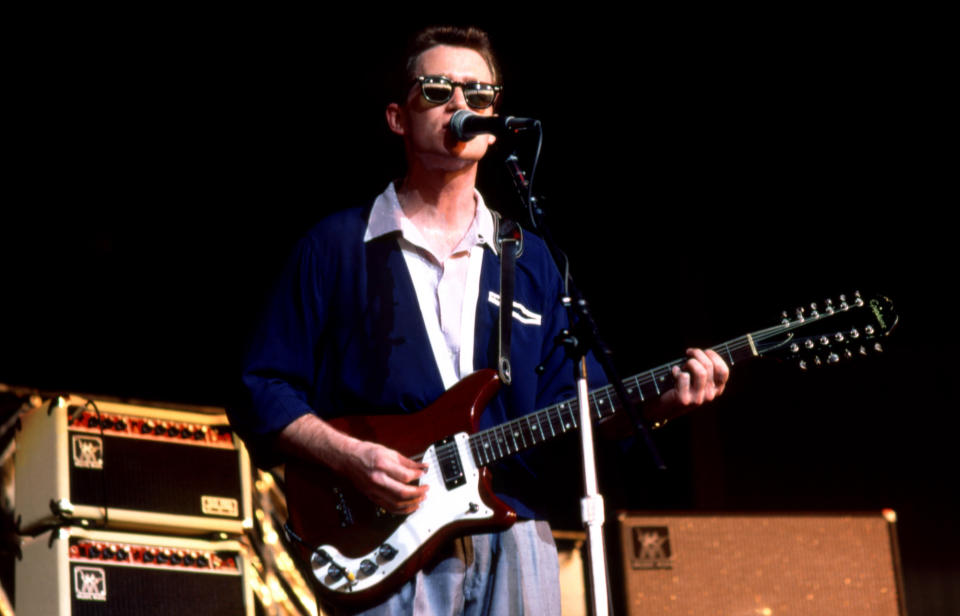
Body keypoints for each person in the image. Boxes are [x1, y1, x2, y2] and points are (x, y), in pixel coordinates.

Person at [231, 26, 729, 616]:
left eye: (479, 94)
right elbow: (259, 388)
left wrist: (657, 406)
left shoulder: (531, 257)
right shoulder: (336, 247)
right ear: (398, 117)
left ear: (495, 127)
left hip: (513, 525)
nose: (461, 106)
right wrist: (350, 457)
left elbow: (582, 400)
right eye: (437, 90)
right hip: (380, 538)